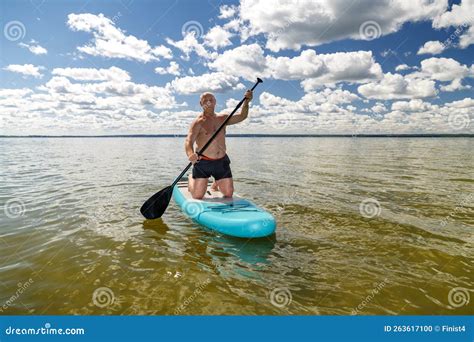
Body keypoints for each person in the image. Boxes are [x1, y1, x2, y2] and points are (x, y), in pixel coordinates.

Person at [184, 89, 253, 199]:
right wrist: (190, 154)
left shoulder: (222, 118)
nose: (208, 102)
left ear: (215, 101)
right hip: (203, 162)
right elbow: (189, 141)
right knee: (197, 195)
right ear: (201, 104)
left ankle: (216, 182)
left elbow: (242, 116)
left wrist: (246, 102)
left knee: (228, 193)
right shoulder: (198, 122)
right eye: (205, 100)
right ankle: (191, 178)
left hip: (221, 161)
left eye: (211, 99)